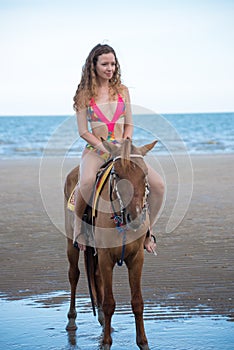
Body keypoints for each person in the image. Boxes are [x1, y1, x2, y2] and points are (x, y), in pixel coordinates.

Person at [73, 43, 164, 253]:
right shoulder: (84, 94)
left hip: (124, 150)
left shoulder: (122, 91)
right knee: (86, 182)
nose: (110, 68)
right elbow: (83, 132)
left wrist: (126, 144)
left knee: (158, 185)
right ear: (93, 65)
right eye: (105, 64)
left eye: (113, 64)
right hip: (97, 150)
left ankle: (148, 231)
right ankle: (79, 228)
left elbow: (129, 123)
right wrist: (105, 149)